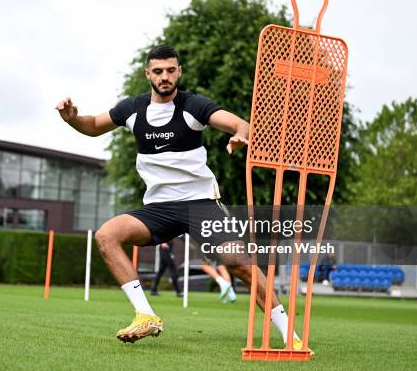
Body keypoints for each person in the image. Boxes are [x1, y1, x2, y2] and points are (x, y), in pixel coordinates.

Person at [56, 45, 303, 348]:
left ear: (179, 72)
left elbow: (238, 123)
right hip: (158, 207)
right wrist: (72, 119)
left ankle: (290, 335)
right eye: (158, 71)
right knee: (107, 235)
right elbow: (93, 126)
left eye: (170, 70)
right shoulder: (132, 109)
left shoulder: (193, 105)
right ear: (148, 74)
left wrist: (241, 133)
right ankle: (145, 315)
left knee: (240, 264)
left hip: (200, 204)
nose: (164, 76)